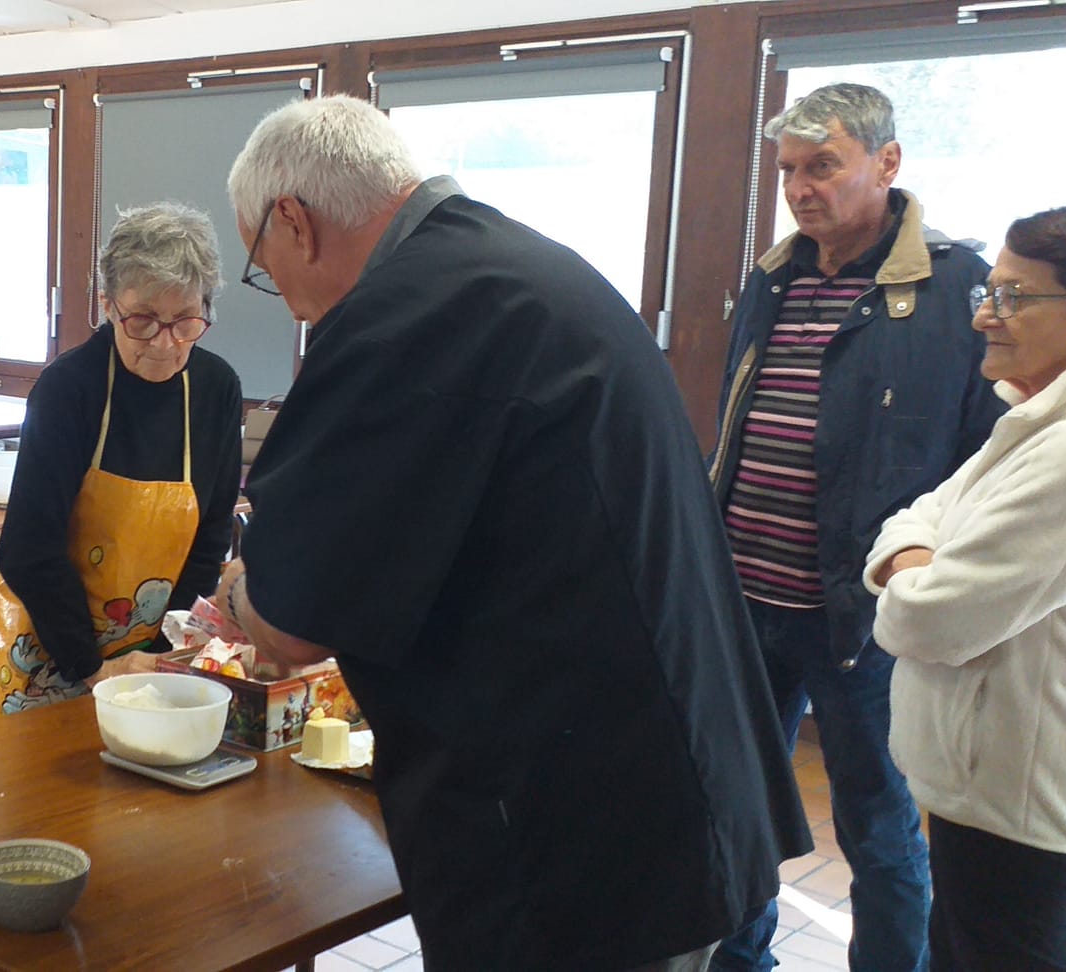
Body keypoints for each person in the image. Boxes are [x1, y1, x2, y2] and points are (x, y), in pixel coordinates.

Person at [212, 95, 809, 971]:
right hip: (671, 781)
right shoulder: (515, 268)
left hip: (583, 835)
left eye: (264, 268)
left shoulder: (410, 317)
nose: (291, 305)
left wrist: (237, 593)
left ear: (293, 221)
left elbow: (296, 622)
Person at [708, 83, 1002, 972]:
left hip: (860, 620)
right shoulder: (772, 276)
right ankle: (738, 960)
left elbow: (984, 463)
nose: (801, 188)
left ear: (887, 163)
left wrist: (927, 580)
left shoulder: (957, 290)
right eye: (790, 170)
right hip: (743, 599)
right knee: (740, 807)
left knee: (874, 824)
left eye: (823, 165)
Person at [865, 201, 1066, 972]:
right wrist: (916, 553)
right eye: (991, 292)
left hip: (1023, 793)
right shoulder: (1045, 416)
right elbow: (922, 514)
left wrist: (905, 564)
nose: (987, 315)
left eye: (1016, 297)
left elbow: (928, 624)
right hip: (997, 779)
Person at [0, 202, 242, 719]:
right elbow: (30, 548)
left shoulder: (215, 389)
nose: (163, 343)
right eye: (142, 321)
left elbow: (209, 540)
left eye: (184, 321)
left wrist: (160, 657)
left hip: (149, 666)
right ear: (107, 305)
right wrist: (93, 668)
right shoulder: (70, 388)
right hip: (42, 652)